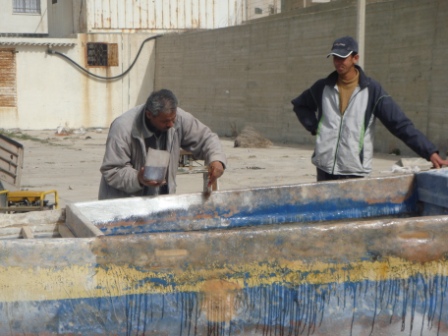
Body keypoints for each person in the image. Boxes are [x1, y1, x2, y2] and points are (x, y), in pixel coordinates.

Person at [291, 36, 448, 182]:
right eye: (335, 57)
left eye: (343, 58)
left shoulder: (372, 90)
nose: (338, 62)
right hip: (324, 168)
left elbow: (399, 124)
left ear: (355, 58)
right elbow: (300, 105)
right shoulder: (323, 87)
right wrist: (315, 127)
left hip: (354, 171)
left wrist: (430, 152)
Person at [98, 89, 226, 199]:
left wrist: (216, 160)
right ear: (149, 115)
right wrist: (138, 178)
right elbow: (112, 170)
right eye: (165, 121)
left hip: (160, 203)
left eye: (173, 119)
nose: (171, 124)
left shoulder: (178, 118)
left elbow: (207, 138)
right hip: (123, 205)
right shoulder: (123, 127)